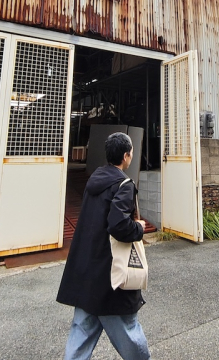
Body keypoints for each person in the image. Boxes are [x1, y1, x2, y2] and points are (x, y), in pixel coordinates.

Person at [57, 132, 150, 360]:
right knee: (128, 329)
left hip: (87, 270)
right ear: (126, 156)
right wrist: (138, 227)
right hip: (109, 274)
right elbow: (119, 225)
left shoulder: (94, 180)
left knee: (81, 331)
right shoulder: (124, 184)